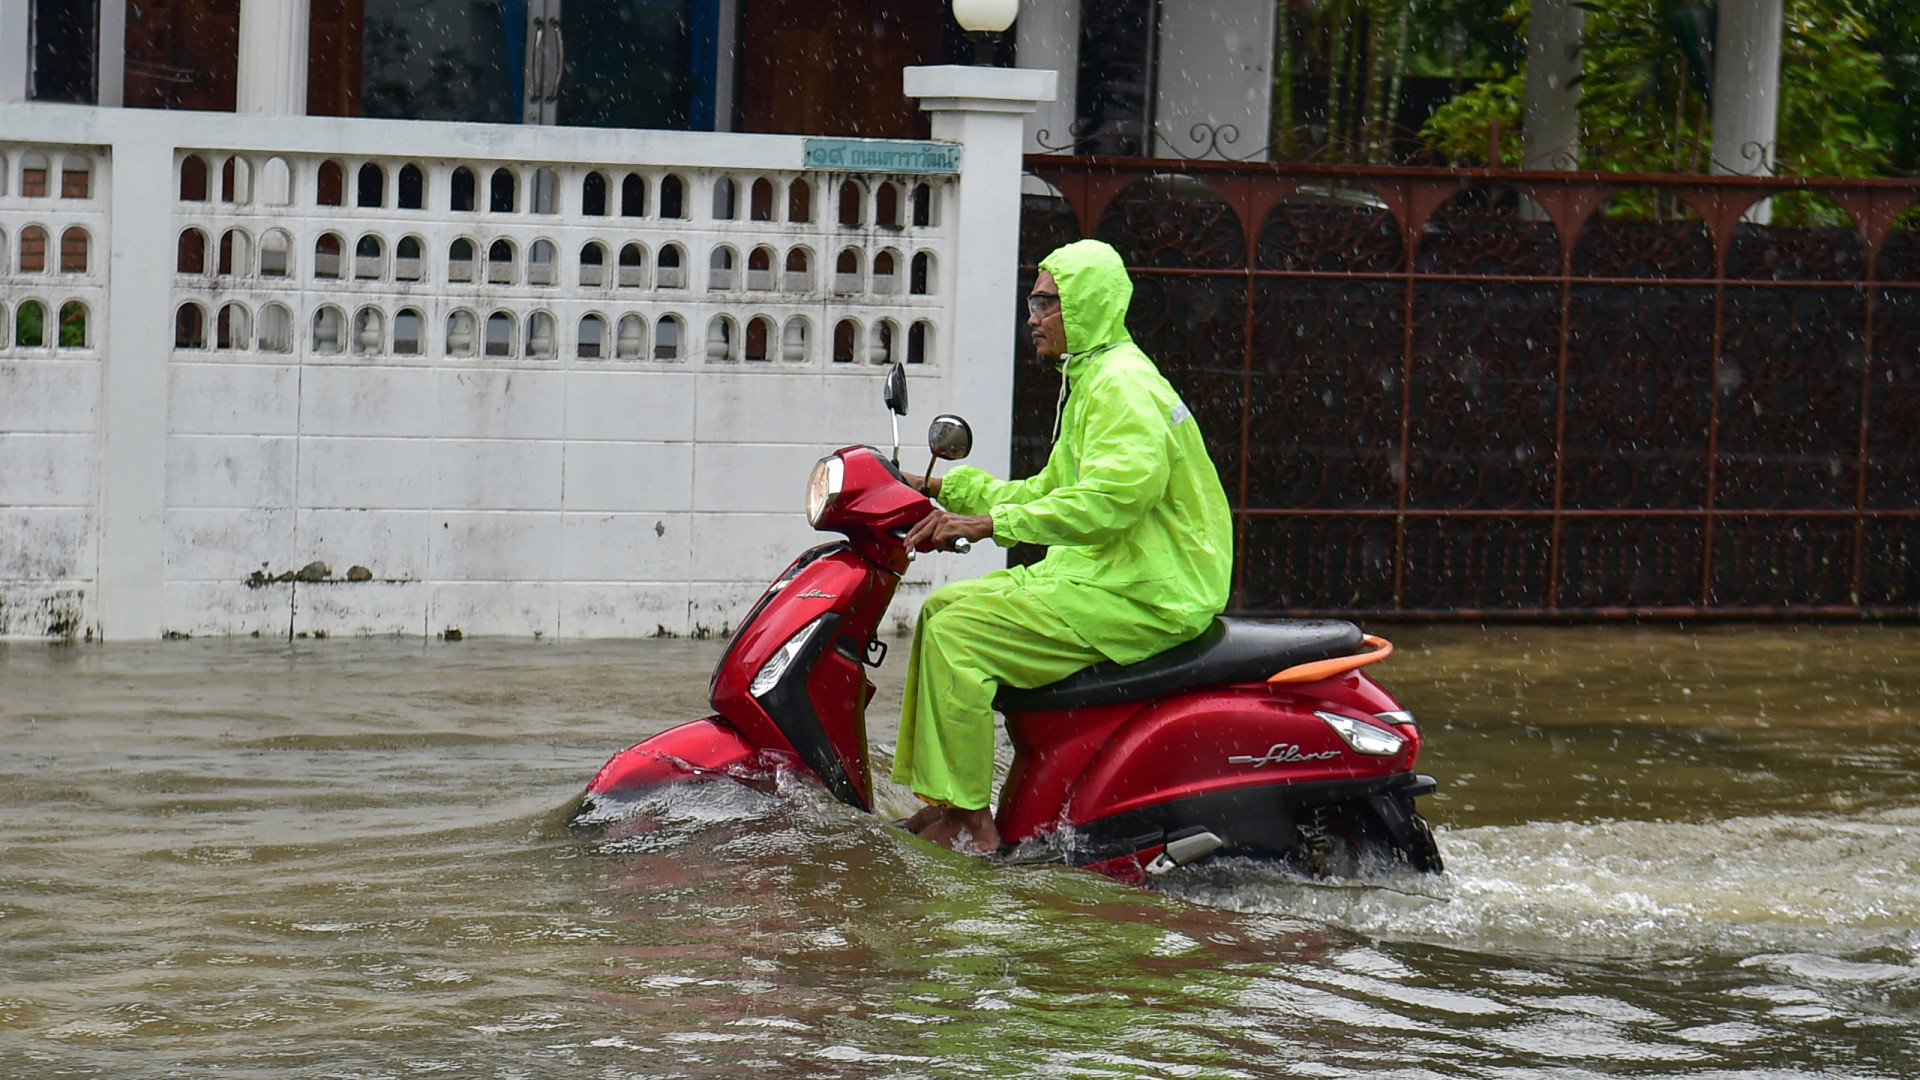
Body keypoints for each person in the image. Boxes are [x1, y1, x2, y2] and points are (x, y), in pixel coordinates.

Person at [894, 238, 1234, 854]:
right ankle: (950, 801)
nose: (1033, 315)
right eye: (1031, 301)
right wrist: (942, 487)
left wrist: (985, 526)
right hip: (1106, 573)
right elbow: (1048, 490)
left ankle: (974, 823)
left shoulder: (1120, 388)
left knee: (958, 631)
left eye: (1046, 302)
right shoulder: (1095, 379)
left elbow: (1111, 502)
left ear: (1086, 304)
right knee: (939, 612)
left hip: (1145, 590)